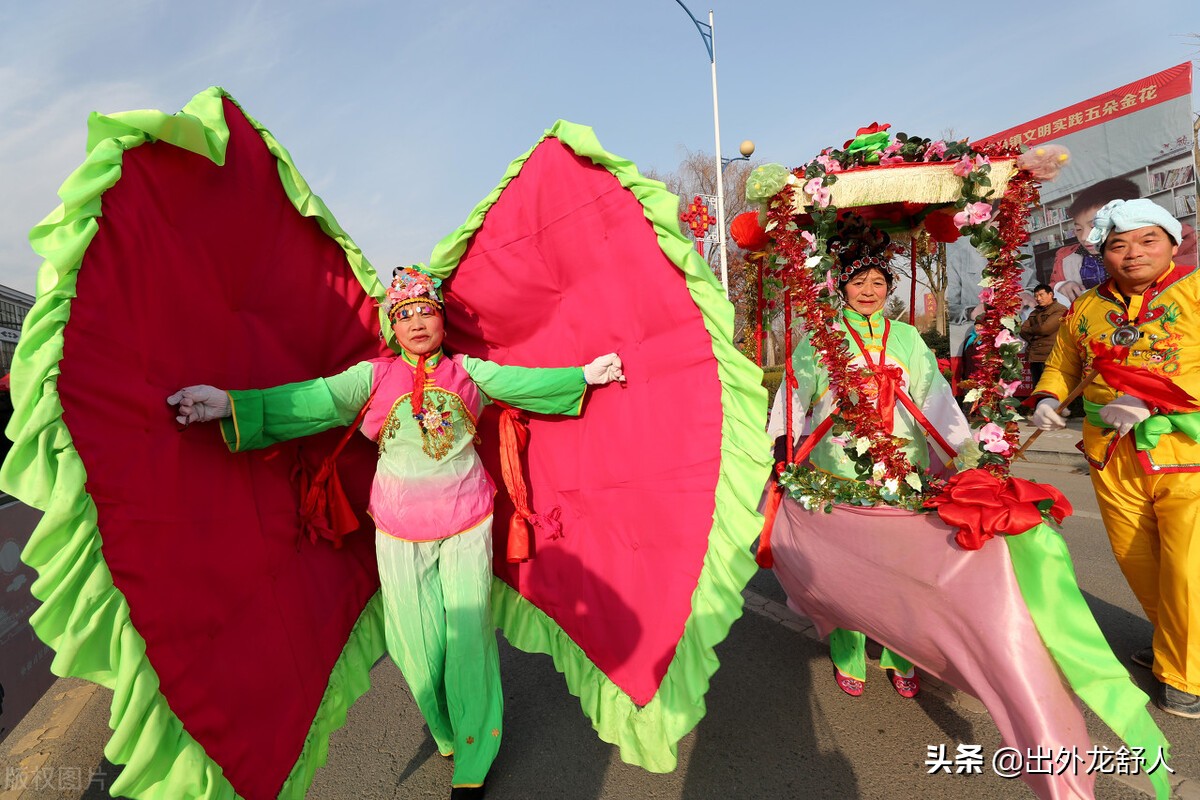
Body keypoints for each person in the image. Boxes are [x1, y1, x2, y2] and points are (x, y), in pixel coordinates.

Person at [168, 265, 625, 798]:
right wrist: (226, 403)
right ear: (391, 325)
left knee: (469, 641)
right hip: (398, 530)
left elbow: (523, 383)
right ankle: (446, 725)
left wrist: (584, 376)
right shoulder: (371, 379)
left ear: (441, 319)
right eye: (403, 313)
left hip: (467, 524)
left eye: (425, 310)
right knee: (416, 649)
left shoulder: (469, 372)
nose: (416, 322)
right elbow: (309, 401)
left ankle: (474, 756)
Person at [768, 235, 973, 700]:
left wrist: (966, 450)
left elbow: (934, 394)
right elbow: (795, 394)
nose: (868, 290)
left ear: (889, 288)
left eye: (878, 281)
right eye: (858, 281)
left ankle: (906, 652)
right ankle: (848, 652)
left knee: (905, 568)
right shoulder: (820, 338)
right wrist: (779, 444)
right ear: (841, 287)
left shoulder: (906, 336)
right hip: (835, 469)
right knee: (844, 569)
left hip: (903, 469)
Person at [1031, 198, 1200, 719]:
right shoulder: (1087, 307)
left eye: (1147, 240)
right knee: (1138, 564)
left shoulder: (1194, 291)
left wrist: (1153, 397)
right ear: (1103, 253)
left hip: (1186, 452)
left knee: (1187, 569)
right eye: (1117, 245)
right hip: (1111, 454)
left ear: (1173, 243)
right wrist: (1047, 398)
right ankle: (1178, 642)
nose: (1132, 254)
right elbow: (1063, 364)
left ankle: (1185, 675)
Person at [1050, 177, 1197, 303]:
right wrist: (1060, 286)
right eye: (1078, 229)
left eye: (1095, 225)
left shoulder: (1178, 241)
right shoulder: (1066, 259)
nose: (1084, 237)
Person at [1019, 283, 1066, 385]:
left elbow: (1044, 329)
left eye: (1041, 295)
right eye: (1036, 296)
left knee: (1051, 388)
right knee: (1037, 388)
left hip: (1051, 356)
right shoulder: (1035, 312)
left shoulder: (1060, 309)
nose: (1038, 298)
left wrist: (1033, 332)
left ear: (1050, 294)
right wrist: (1034, 337)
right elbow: (1023, 330)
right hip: (1034, 356)